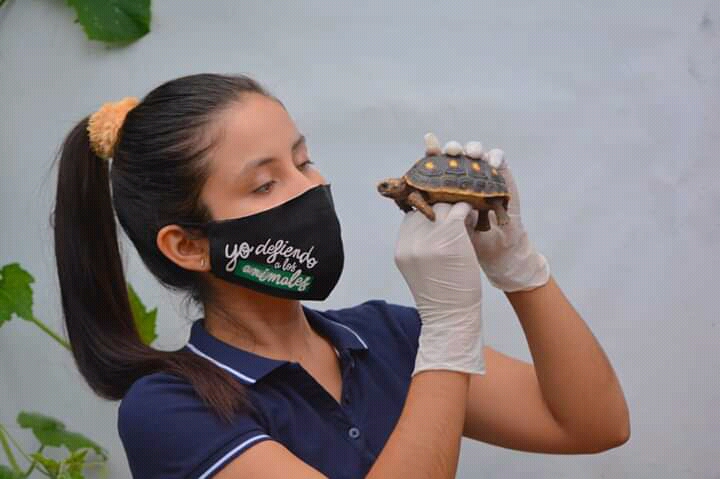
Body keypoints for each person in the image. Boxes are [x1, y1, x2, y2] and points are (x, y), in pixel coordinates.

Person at [52, 73, 629, 479]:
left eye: (303, 161)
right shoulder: (171, 410)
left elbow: (593, 424)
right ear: (189, 246)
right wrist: (449, 332)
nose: (311, 187)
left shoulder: (386, 338)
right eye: (265, 184)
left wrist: (519, 268)